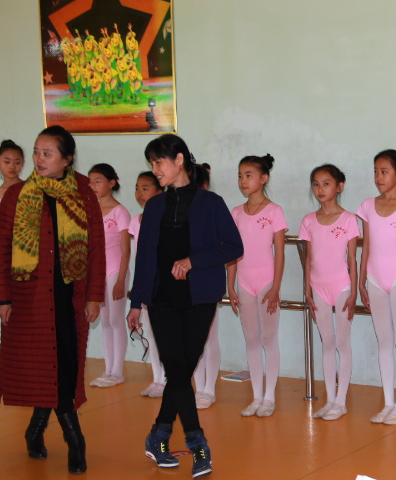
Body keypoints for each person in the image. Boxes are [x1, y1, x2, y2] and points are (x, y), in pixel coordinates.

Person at [0, 125, 106, 474]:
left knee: (64, 367)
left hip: (70, 298)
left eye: (47, 153)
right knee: (41, 369)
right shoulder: (17, 195)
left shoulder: (84, 192)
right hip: (29, 300)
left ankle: (44, 432)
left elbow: (96, 249)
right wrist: (1, 298)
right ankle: (73, 440)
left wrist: (94, 296)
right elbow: (0, 250)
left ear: (66, 159)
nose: (39, 159)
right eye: (37, 152)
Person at [127, 135, 243, 479]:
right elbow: (144, 258)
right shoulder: (154, 207)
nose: (154, 170)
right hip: (161, 299)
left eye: (159, 162)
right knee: (178, 369)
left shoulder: (211, 203)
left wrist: (194, 260)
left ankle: (159, 433)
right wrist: (135, 303)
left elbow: (233, 246)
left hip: (199, 298)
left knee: (179, 372)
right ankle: (197, 443)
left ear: (179, 160)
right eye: (151, 163)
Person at [357, 149, 396, 426]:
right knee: (383, 341)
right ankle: (387, 402)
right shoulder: (367, 205)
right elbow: (366, 246)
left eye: (384, 172)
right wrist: (361, 280)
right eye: (375, 171)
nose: (378, 177)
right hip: (374, 278)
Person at [227, 154, 287, 418]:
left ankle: (269, 397)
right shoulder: (236, 213)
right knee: (251, 339)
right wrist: (230, 286)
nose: (243, 180)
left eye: (248, 175)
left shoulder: (274, 211)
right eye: (240, 175)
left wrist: (275, 287)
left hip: (266, 282)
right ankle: (256, 396)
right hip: (244, 283)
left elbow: (280, 253)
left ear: (264, 178)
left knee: (268, 339)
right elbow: (231, 253)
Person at [298, 164, 359, 421]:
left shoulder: (349, 219)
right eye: (316, 184)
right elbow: (308, 258)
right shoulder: (309, 221)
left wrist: (354, 292)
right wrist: (307, 290)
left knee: (342, 343)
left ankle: (341, 401)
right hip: (318, 287)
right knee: (327, 343)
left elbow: (352, 259)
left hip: (342, 286)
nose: (320, 189)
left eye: (326, 183)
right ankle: (330, 399)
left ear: (339, 186)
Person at [88, 163, 131, 388]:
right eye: (91, 182)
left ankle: (117, 372)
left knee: (115, 320)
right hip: (97, 274)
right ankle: (108, 370)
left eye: (98, 181)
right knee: (104, 322)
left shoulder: (120, 212)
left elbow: (126, 250)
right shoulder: (90, 210)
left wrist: (121, 280)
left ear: (112, 183)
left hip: (116, 271)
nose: (93, 185)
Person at [128, 171, 166, 398]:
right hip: (144, 282)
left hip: (160, 283)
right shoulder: (136, 221)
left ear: (159, 192)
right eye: (137, 188)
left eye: (145, 188)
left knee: (164, 334)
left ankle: (168, 378)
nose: (139, 193)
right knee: (150, 333)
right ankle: (157, 378)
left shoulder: (164, 218)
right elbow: (139, 257)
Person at [192, 164, 222, 409]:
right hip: (185, 282)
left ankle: (209, 388)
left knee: (209, 337)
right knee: (192, 340)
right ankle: (198, 386)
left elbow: (226, 245)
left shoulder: (213, 206)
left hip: (208, 280)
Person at [0, 140, 25, 224]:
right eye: (7, 162)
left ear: (22, 163)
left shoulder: (31, 188)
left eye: (17, 162)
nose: (12, 166)